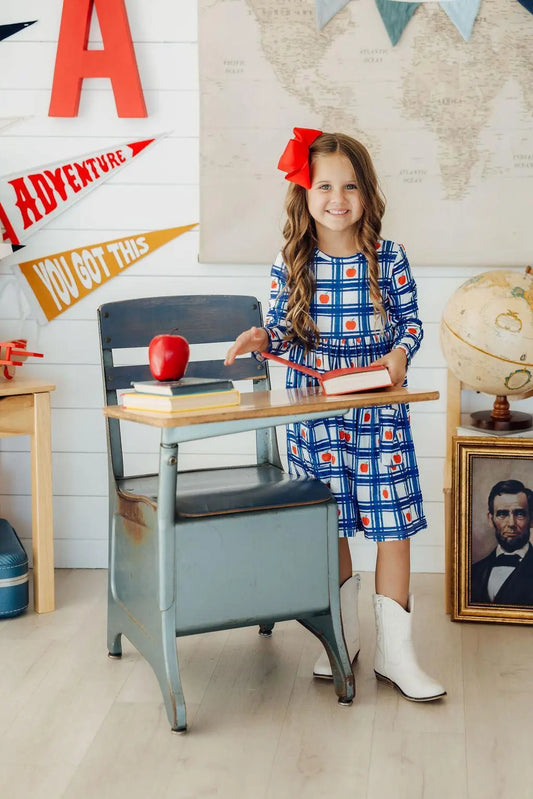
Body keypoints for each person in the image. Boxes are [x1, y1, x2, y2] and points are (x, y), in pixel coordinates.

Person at [225, 127, 446, 702]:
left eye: (350, 186)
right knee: (333, 525)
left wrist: (397, 357)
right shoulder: (291, 260)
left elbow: (411, 325)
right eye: (324, 185)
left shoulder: (388, 257)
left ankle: (397, 655)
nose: (337, 198)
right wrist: (260, 337)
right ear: (305, 193)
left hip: (378, 410)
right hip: (315, 412)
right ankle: (341, 642)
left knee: (393, 526)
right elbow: (280, 329)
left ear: (367, 194)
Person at [471, 479, 533, 605]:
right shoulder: (473, 571)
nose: (511, 523)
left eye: (519, 514)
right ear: (490, 519)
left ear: (532, 519)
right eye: (502, 514)